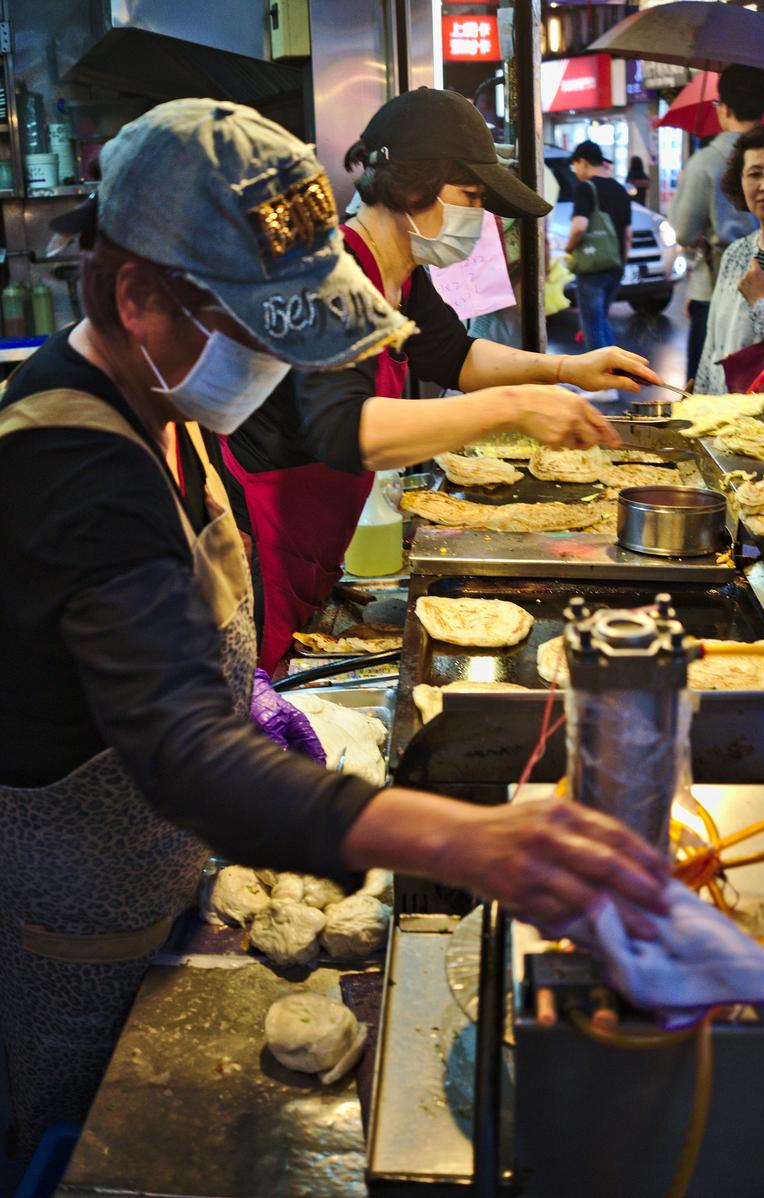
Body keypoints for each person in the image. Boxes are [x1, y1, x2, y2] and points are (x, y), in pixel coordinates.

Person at [0, 98, 668, 1162]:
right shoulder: (71, 460)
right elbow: (179, 750)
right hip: (72, 932)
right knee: (83, 1151)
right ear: (136, 298)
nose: (272, 354)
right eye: (252, 325)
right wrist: (457, 837)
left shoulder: (162, 412)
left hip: (154, 886)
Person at [224, 89, 661, 669]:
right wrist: (512, 407)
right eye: (470, 196)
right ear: (410, 183)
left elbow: (454, 354)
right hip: (261, 546)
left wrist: (566, 369)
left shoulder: (399, 274)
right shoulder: (331, 278)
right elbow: (346, 430)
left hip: (314, 540)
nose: (477, 219)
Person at [668, 64, 764, 382]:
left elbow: (683, 230)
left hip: (714, 286)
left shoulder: (706, 162)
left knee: (708, 381)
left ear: (722, 107)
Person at [696, 122, 764, 400]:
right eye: (754, 174)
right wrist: (700, 398)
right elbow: (713, 344)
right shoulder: (736, 252)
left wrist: (762, 303)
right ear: (739, 181)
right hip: (723, 419)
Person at [565, 140, 632, 353]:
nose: (575, 171)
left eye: (574, 166)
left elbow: (579, 227)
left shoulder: (585, 189)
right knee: (600, 321)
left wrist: (568, 248)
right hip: (616, 266)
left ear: (583, 162)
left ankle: (601, 382)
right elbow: (628, 234)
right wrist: (621, 261)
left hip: (593, 267)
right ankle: (615, 369)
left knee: (592, 326)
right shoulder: (620, 190)